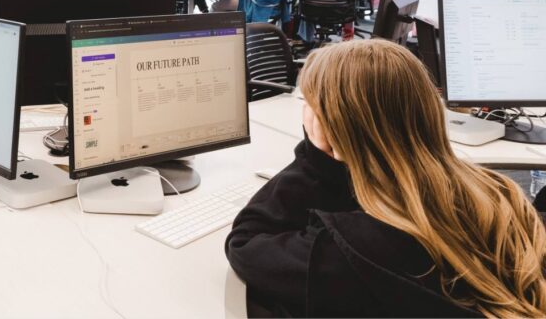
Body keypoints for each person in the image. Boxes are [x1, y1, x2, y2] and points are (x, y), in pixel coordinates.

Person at [226, 39, 546, 318]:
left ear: (331, 130)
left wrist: (317, 154)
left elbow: (246, 242)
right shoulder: (500, 194)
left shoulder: (347, 253)